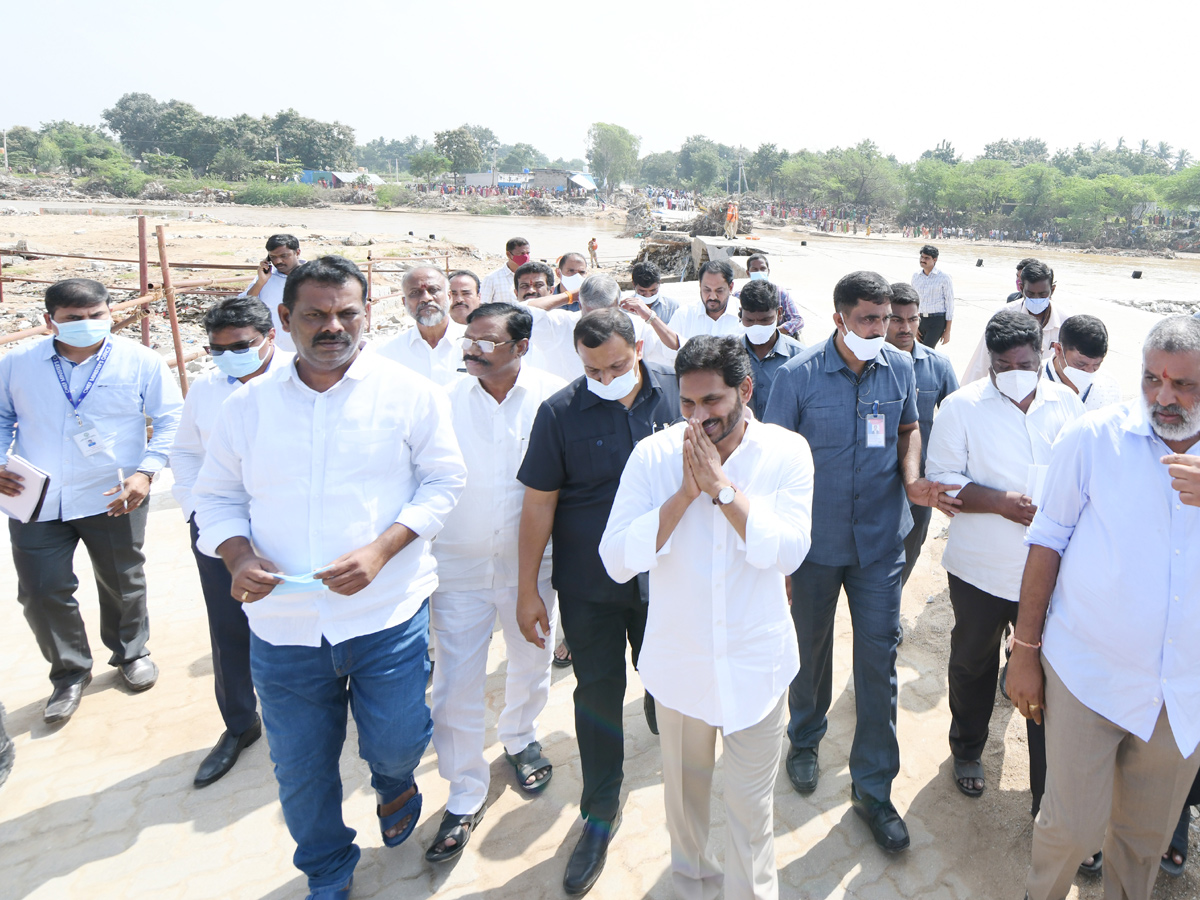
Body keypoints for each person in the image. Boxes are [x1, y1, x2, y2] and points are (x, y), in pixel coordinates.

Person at [192, 256, 467, 900]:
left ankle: (395, 781)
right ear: (284, 320)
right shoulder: (247, 407)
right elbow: (218, 498)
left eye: (347, 312)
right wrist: (236, 557)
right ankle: (327, 870)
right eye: (314, 315)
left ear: (368, 314)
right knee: (301, 769)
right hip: (283, 628)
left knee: (399, 742)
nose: (332, 327)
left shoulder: (409, 394)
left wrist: (383, 549)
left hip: (386, 615)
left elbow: (444, 481)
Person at [600, 334, 814, 900]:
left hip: (758, 668)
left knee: (751, 813)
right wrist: (683, 496)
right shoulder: (654, 457)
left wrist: (721, 490)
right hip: (681, 668)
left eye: (712, 402)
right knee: (686, 813)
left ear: (744, 390)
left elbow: (789, 552)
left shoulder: (787, 452)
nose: (698, 418)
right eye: (688, 405)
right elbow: (616, 559)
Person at [763, 271, 959, 852]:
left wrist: (913, 479)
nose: (882, 329)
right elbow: (774, 463)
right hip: (815, 546)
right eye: (870, 319)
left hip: (879, 544)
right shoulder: (796, 378)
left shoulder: (901, 369)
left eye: (887, 318)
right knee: (810, 647)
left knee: (879, 656)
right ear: (839, 317)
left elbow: (908, 428)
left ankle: (874, 787)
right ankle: (804, 738)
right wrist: (782, 559)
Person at [1008, 315, 1200, 900]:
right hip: (1087, 674)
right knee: (1069, 828)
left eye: (1184, 384)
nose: (1164, 397)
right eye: (1151, 379)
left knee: (1143, 840)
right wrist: (1024, 651)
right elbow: (1048, 540)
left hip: (1183, 691)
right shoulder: (1094, 439)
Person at [516, 308, 681, 895]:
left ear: (638, 346)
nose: (606, 377)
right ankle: (598, 812)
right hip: (591, 587)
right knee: (599, 695)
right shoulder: (560, 412)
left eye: (616, 364)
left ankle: (673, 736)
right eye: (593, 369)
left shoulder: (676, 392)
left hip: (667, 579)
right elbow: (538, 504)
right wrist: (528, 587)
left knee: (671, 684)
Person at [0, 278, 182, 724]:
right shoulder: (17, 364)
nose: (87, 325)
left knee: (123, 580)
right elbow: (2, 418)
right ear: (50, 321)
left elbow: (171, 417)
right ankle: (69, 673)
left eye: (97, 315)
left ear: (110, 312)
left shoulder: (139, 361)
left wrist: (146, 471)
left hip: (114, 492)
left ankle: (130, 654)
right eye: (74, 319)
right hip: (37, 497)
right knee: (41, 590)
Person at [426, 302, 566, 863]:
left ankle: (520, 738)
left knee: (531, 660)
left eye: (487, 341)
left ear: (522, 347)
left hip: (533, 568)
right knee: (454, 685)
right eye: (469, 339)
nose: (472, 349)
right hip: (455, 569)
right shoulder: (438, 401)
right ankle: (464, 790)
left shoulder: (555, 399)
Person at [924, 308, 1083, 800]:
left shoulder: (1067, 405)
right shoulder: (961, 407)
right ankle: (968, 748)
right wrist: (1000, 503)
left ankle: (1046, 790)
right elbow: (943, 484)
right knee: (973, 661)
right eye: (1005, 364)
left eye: (1026, 362)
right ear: (990, 362)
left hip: (1050, 571)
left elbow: (1082, 477)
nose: (1017, 373)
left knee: (1046, 675)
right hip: (980, 570)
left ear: (1043, 356)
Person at [170, 296, 289, 788]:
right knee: (229, 628)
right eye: (217, 349)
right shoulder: (205, 389)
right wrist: (201, 517)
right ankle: (240, 724)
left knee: (309, 622)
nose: (230, 357)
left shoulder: (305, 379)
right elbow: (186, 453)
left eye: (242, 346)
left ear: (271, 338)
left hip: (291, 526)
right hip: (224, 533)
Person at [886, 283, 959, 589]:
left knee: (909, 550)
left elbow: (959, 422)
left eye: (912, 319)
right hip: (877, 482)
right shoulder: (867, 363)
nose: (906, 328)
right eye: (897, 319)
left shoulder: (938, 366)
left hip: (919, 482)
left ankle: (891, 607)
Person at [528, 273, 672, 381]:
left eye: (607, 313)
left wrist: (650, 317)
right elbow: (522, 312)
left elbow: (672, 354)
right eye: (592, 314)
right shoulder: (561, 325)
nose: (600, 322)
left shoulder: (637, 326)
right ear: (580, 306)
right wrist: (570, 295)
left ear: (618, 305)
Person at [963, 260, 1067, 383]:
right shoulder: (1004, 316)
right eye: (1031, 293)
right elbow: (982, 361)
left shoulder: (1065, 322)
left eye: (1042, 294)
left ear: (1052, 290)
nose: (1036, 299)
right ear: (1022, 288)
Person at [376, 266, 466, 387]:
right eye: (415, 293)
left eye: (433, 290)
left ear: (449, 296)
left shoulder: (477, 345)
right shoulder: (388, 353)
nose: (426, 298)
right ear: (404, 302)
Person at [738, 279, 804, 422]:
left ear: (779, 313)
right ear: (740, 313)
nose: (757, 327)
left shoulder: (800, 358)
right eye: (749, 320)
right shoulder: (728, 355)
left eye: (765, 320)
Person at [660, 260, 744, 352]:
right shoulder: (684, 315)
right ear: (700, 285)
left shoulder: (745, 316)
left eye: (719, 290)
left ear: (730, 287)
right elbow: (667, 352)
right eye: (707, 290)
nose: (712, 297)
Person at [1043, 314, 1122, 411]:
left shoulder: (1110, 387)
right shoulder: (1034, 379)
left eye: (1096, 365)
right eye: (1080, 364)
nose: (1088, 371)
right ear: (1058, 349)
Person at [240, 233, 303, 352]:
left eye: (284, 256)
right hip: (273, 350)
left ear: (297, 252)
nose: (278, 261)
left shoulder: (313, 276)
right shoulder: (265, 278)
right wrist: (261, 282)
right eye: (273, 257)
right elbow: (245, 304)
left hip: (305, 350)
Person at [736, 254, 804, 338]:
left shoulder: (780, 293)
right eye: (755, 269)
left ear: (768, 271)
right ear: (748, 273)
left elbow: (797, 320)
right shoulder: (739, 295)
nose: (759, 272)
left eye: (762, 269)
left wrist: (774, 332)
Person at [910, 244, 954, 347]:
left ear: (935, 259)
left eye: (926, 258)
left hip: (937, 321)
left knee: (927, 350)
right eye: (922, 257)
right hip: (920, 320)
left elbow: (950, 304)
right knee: (920, 351)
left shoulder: (944, 277)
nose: (922, 260)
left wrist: (947, 331)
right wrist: (914, 325)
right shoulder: (916, 276)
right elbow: (913, 301)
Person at [479, 237, 531, 305]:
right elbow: (483, 306)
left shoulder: (533, 277)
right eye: (522, 253)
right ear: (509, 254)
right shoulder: (492, 278)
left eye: (528, 253)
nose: (526, 257)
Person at [629, 260, 679, 325]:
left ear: (659, 283)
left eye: (653, 290)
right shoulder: (624, 309)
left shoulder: (672, 307)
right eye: (642, 291)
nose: (648, 295)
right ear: (633, 284)